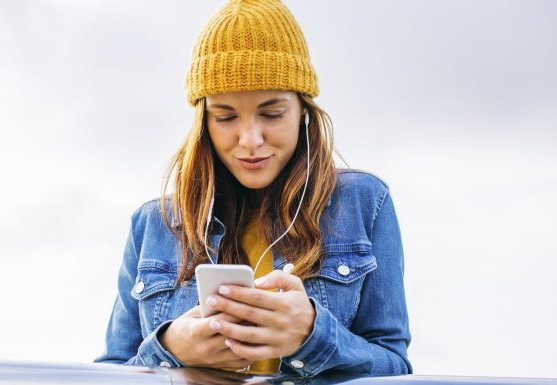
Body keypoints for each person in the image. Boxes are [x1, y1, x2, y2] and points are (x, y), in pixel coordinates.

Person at [95, 0, 411, 378]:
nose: (249, 140)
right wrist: (169, 349)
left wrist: (313, 336)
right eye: (226, 116)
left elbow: (395, 368)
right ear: (204, 123)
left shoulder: (364, 203)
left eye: (272, 113)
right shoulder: (153, 223)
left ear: (303, 112)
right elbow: (110, 373)